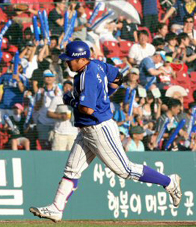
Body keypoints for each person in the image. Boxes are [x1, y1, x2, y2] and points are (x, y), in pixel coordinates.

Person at [29, 41, 182, 223]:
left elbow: (87, 109)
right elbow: (118, 77)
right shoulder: (97, 64)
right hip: (87, 129)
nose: (67, 62)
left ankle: (169, 182)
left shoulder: (88, 75)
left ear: (82, 59)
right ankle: (56, 208)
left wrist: (69, 100)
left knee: (125, 170)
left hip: (98, 128)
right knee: (72, 170)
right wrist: (105, 93)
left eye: (70, 59)